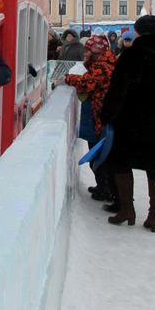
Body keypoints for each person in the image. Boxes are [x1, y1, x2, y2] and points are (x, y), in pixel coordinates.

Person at [99, 15, 155, 232]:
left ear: (141, 32)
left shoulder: (130, 56)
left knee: (121, 163)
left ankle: (127, 209)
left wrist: (107, 114)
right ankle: (154, 215)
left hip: (130, 122)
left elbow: (117, 90)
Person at [58, 35, 119, 204]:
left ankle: (106, 189)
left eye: (88, 51)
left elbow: (88, 82)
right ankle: (103, 186)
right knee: (98, 153)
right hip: (102, 116)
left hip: (101, 116)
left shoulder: (102, 66)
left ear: (96, 52)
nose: (84, 54)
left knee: (99, 154)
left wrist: (67, 79)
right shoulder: (106, 63)